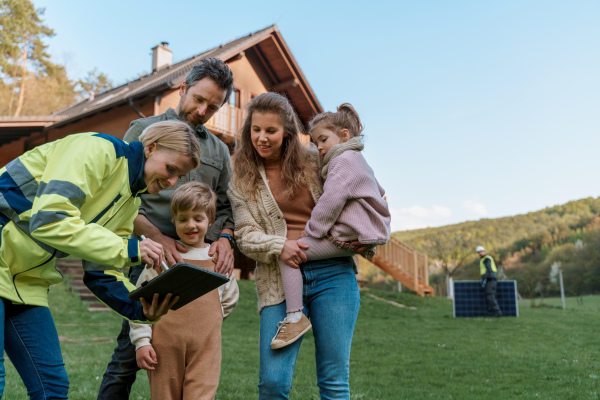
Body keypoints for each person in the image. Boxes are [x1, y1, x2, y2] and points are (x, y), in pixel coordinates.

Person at [0, 120, 201, 399]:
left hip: (23, 283)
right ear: (151, 148)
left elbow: (101, 272)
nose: (171, 182)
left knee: (52, 388)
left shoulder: (130, 202)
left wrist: (142, 306)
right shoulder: (96, 150)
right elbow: (49, 220)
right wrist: (129, 249)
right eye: (171, 169)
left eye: (179, 176)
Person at [98, 57, 236, 399]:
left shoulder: (219, 151)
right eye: (199, 99)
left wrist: (225, 239)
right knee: (128, 356)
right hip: (147, 255)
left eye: (213, 106)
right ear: (183, 88)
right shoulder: (144, 130)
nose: (203, 110)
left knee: (193, 354)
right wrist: (157, 237)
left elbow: (226, 207)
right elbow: (118, 197)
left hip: (198, 262)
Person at [228, 92, 362, 399]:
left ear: (287, 132)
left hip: (333, 274)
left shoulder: (316, 160)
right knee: (273, 382)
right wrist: (280, 245)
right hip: (278, 279)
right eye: (256, 129)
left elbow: (354, 186)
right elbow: (245, 234)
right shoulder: (241, 177)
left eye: (270, 131)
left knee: (334, 380)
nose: (261, 137)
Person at [270, 103, 391, 349]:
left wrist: (312, 231)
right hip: (357, 232)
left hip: (345, 233)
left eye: (323, 139)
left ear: (344, 134)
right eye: (315, 143)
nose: (320, 147)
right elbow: (380, 191)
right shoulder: (357, 159)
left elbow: (331, 201)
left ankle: (295, 316)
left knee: (289, 252)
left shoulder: (344, 161)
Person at [129, 182, 239, 399]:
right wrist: (142, 343)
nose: (191, 225)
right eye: (183, 219)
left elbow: (229, 300)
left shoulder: (217, 260)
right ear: (174, 220)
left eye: (198, 219)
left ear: (210, 220)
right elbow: (140, 303)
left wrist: (206, 323)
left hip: (206, 350)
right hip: (164, 349)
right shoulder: (162, 259)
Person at [477, 245, 502, 317]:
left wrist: (484, 278)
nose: (480, 253)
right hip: (491, 278)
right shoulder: (486, 258)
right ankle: (492, 313)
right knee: (491, 296)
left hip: (490, 279)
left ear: (484, 251)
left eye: (481, 252)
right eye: (479, 252)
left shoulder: (486, 259)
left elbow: (489, 269)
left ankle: (497, 312)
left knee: (490, 296)